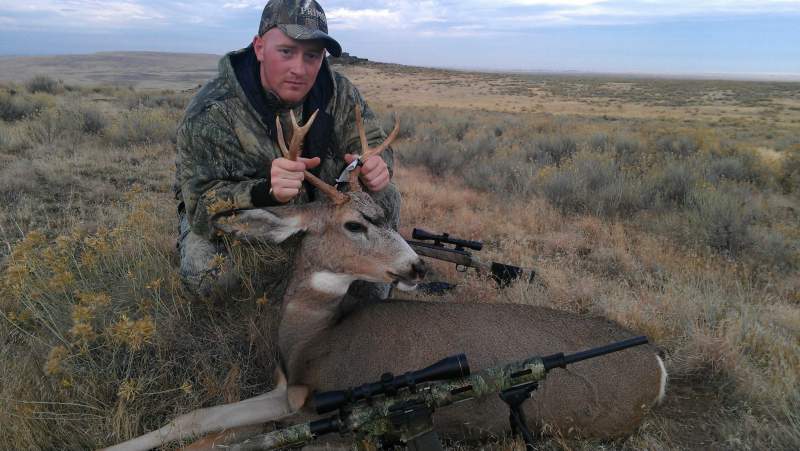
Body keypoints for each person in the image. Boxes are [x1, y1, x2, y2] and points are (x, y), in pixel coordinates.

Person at [174, 0, 400, 301]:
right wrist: (265, 191)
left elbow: (372, 144)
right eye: (286, 52)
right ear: (259, 48)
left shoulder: (339, 92)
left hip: (321, 206)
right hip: (245, 215)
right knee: (210, 276)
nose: (299, 69)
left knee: (386, 196)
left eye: (312, 55)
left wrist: (377, 165)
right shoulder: (212, 112)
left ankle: (370, 300)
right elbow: (201, 208)